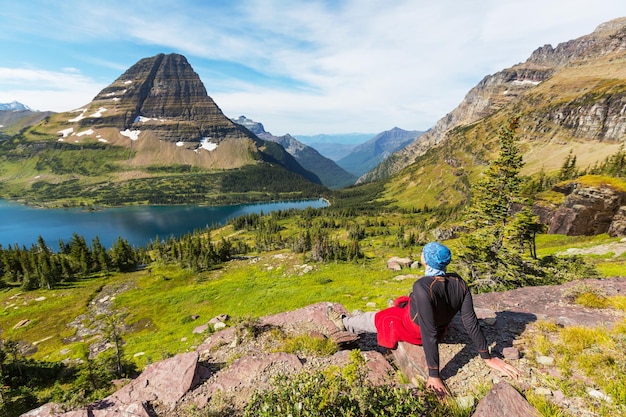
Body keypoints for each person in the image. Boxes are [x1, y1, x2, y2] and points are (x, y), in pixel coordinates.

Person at [326, 241, 520, 398]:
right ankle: (349, 322)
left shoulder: (422, 286)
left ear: (426, 261)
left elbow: (427, 332)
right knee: (398, 307)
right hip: (441, 327)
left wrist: (434, 375)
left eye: (424, 253)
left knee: (377, 318)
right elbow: (470, 321)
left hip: (412, 329)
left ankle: (344, 323)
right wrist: (487, 357)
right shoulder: (459, 282)